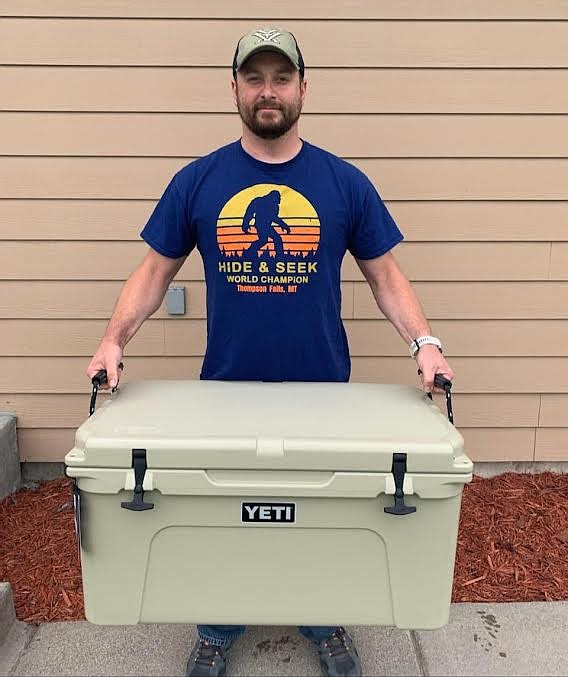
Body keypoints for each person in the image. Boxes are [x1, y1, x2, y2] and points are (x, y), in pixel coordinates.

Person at [87, 26, 455, 677]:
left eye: (280, 77)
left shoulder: (343, 183)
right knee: (228, 513)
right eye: (253, 78)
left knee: (320, 510)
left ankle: (324, 617)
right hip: (226, 389)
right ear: (234, 89)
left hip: (321, 391)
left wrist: (424, 343)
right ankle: (216, 624)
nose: (267, 90)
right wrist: (113, 340)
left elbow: (385, 276)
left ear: (302, 88)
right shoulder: (199, 180)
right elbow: (153, 272)